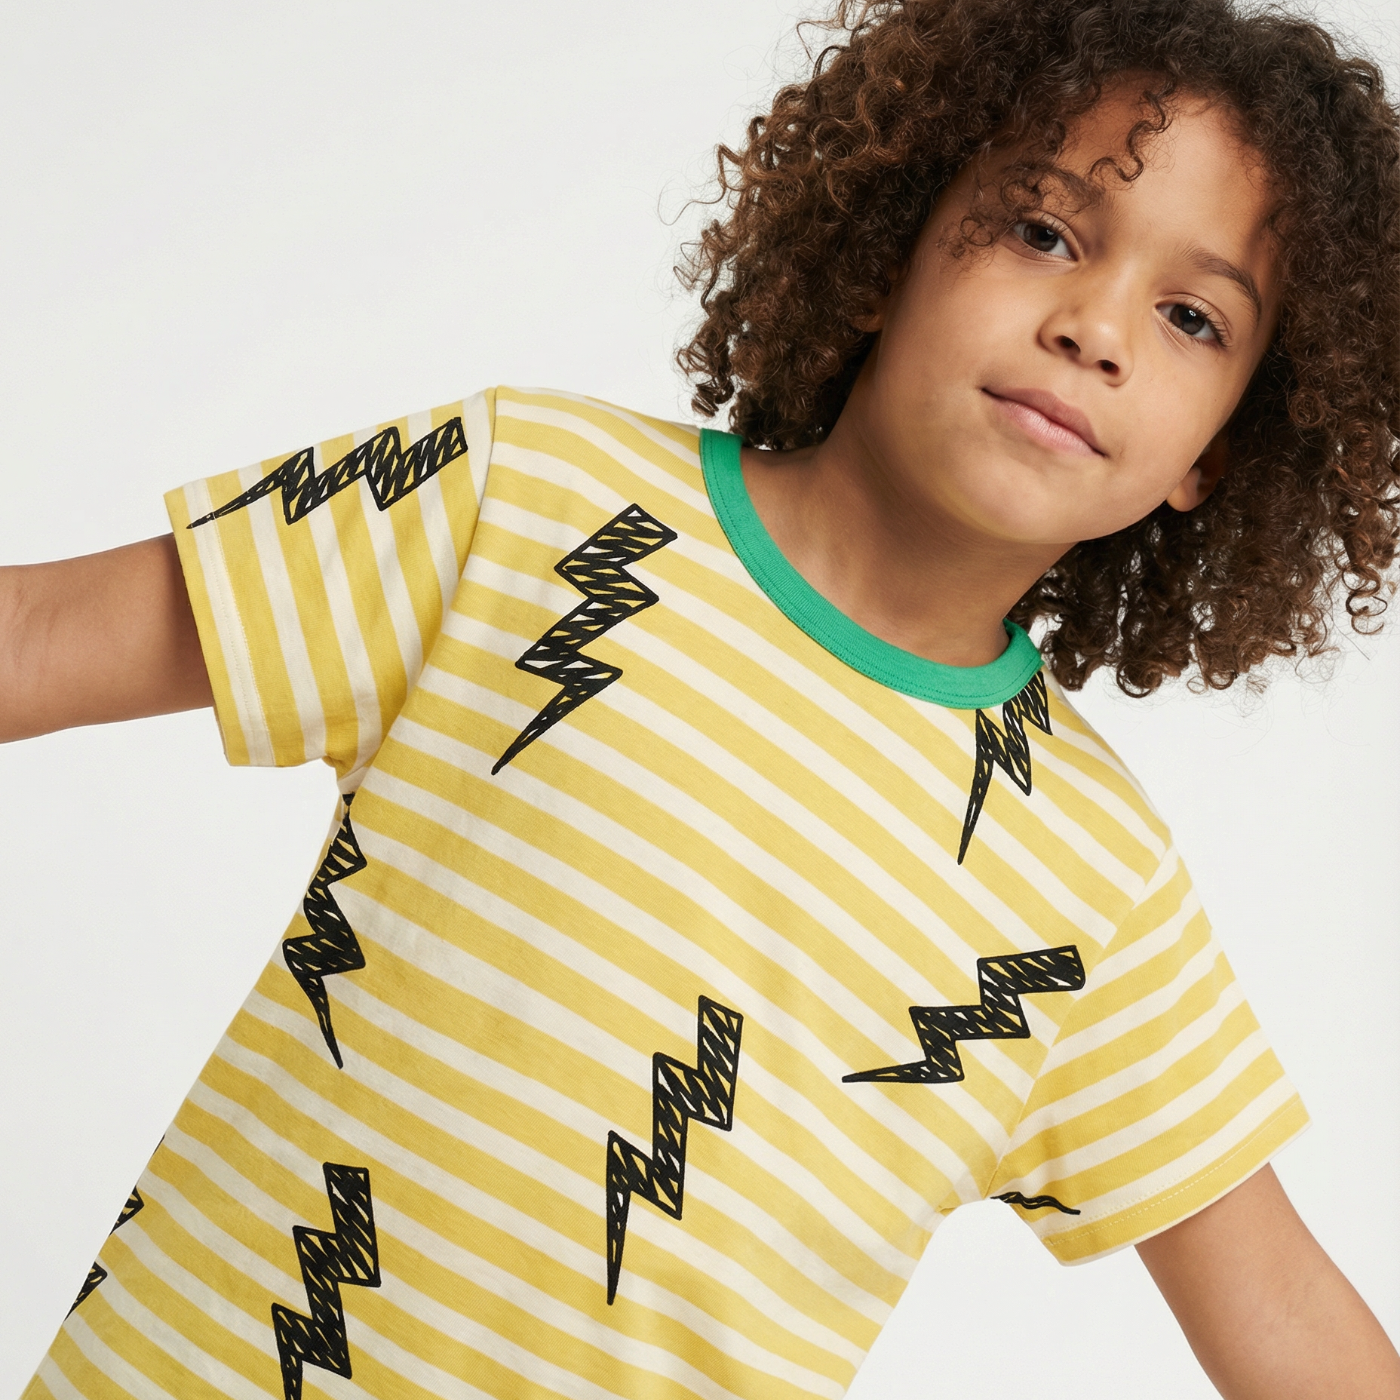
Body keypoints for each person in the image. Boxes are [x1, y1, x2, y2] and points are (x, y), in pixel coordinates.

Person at [5, 0, 1400, 1395]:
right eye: (1044, 229)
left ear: (1215, 458)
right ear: (891, 239)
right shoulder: (522, 501)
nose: (1097, 327)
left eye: (1191, 317)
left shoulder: (1092, 882)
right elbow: (44, 637)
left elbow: (1280, 1312)